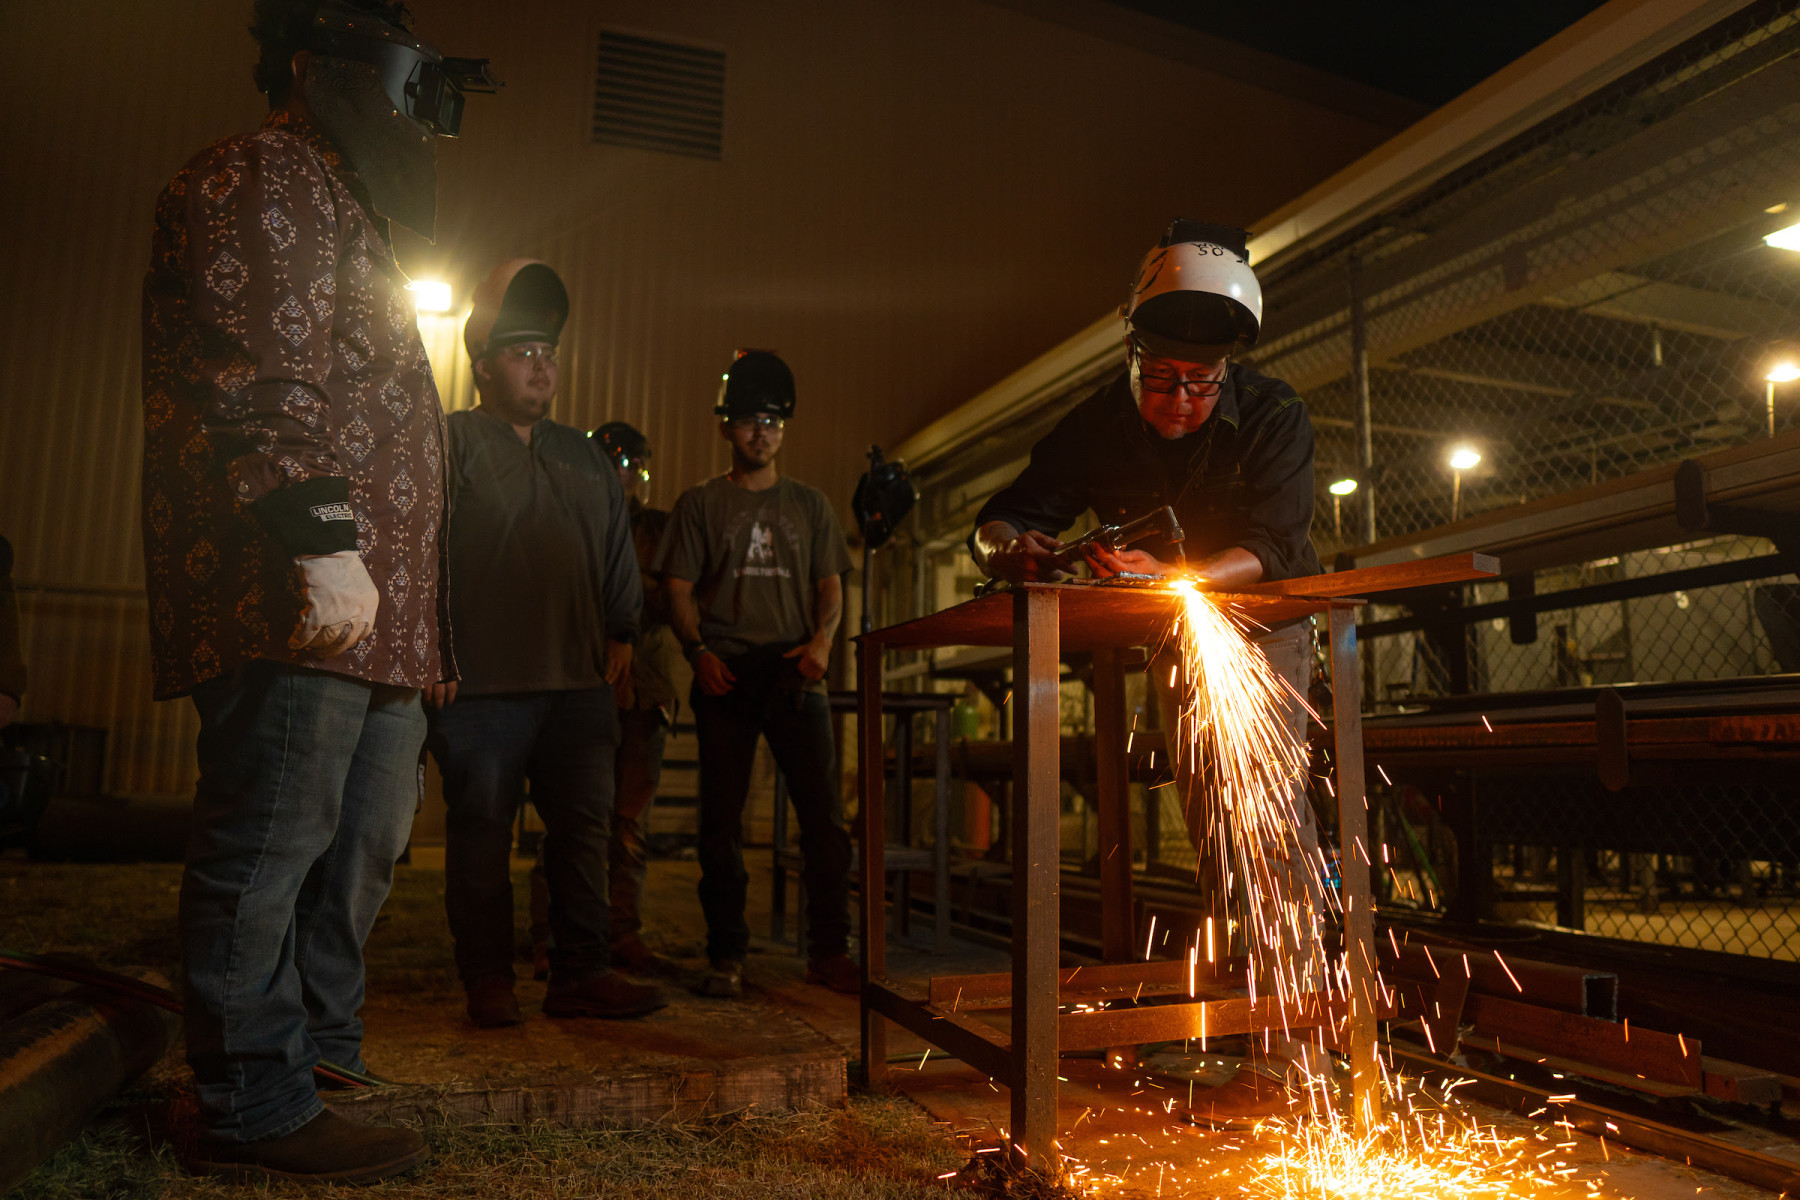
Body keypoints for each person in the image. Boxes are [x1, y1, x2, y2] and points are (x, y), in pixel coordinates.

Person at [139, 0, 494, 1181]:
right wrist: (320, 535)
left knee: (363, 850)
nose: (413, 111)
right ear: (320, 66)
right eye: (402, 80)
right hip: (301, 595)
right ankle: (249, 1104)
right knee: (272, 841)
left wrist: (420, 620)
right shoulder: (262, 176)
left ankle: (319, 1061)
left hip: (377, 613)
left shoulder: (354, 209)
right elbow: (256, 371)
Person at [970, 220, 1329, 1126]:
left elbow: (1280, 547)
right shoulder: (1099, 422)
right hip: (1179, 639)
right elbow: (1001, 513)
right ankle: (1256, 1034)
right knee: (1219, 833)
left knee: (1270, 838)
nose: (1178, 402)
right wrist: (1013, 547)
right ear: (1132, 353)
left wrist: (1176, 580)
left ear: (1228, 371)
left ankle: (1294, 1063)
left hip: (1262, 633)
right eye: (1162, 381)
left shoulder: (1276, 413)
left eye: (1200, 386)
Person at [426, 260, 661, 1028]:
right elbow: (418, 550)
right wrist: (430, 648)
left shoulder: (584, 456)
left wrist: (622, 626)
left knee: (583, 836)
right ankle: (488, 980)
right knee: (482, 835)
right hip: (482, 686)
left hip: (576, 685)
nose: (542, 366)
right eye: (524, 352)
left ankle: (581, 972)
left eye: (549, 353)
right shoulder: (451, 444)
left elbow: (615, 554)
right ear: (484, 363)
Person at [655, 351, 858, 999]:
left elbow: (830, 587)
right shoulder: (701, 505)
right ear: (727, 429)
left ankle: (830, 951)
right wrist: (698, 652)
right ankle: (727, 956)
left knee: (824, 821)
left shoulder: (811, 507)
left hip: (796, 671)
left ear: (784, 428)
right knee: (720, 823)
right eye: (747, 421)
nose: (760, 432)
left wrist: (823, 644)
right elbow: (678, 589)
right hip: (728, 673)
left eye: (770, 420)